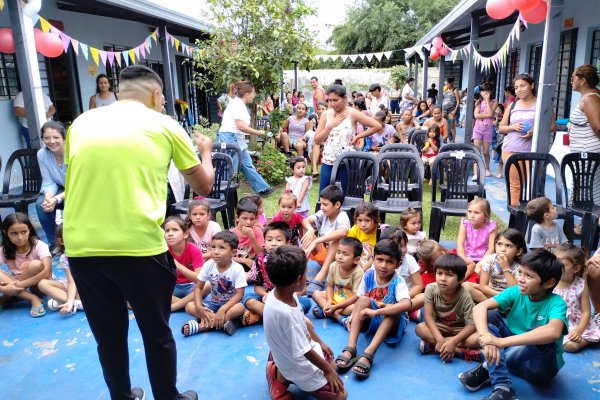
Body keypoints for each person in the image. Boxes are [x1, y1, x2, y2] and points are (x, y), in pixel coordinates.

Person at [63, 65, 212, 400]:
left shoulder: (82, 122)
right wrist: (205, 151)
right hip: (139, 247)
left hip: (82, 247)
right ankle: (167, 397)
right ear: (156, 95)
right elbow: (202, 185)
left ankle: (122, 396)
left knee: (108, 335)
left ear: (118, 91)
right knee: (156, 332)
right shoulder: (163, 124)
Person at [458, 250, 568, 400]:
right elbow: (479, 308)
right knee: (491, 315)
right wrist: (486, 337)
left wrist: (499, 342)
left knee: (542, 335)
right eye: (520, 272)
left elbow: (553, 332)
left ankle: (486, 368)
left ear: (549, 283)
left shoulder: (556, 303)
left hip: (537, 369)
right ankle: (503, 387)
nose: (520, 279)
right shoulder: (515, 291)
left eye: (529, 276)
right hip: (511, 360)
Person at [263, 245, 347, 400]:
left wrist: (319, 342)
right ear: (298, 280)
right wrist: (327, 371)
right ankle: (279, 375)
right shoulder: (286, 314)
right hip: (296, 363)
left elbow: (303, 323)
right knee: (341, 395)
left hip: (286, 352)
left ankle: (281, 371)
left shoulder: (282, 294)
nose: (308, 276)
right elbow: (305, 352)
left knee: (334, 365)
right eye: (306, 273)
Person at [334, 240, 411, 379]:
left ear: (398, 264)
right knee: (363, 300)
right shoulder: (369, 274)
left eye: (389, 261)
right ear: (373, 259)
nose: (383, 265)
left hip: (392, 323)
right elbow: (360, 297)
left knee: (393, 311)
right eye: (379, 260)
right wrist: (353, 315)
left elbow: (406, 304)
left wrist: (376, 312)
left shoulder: (398, 281)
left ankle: (369, 353)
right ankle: (351, 348)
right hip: (372, 319)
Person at [499, 73, 555, 206]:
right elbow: (501, 128)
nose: (518, 89)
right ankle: (515, 217)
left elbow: (552, 126)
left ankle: (541, 217)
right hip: (510, 150)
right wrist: (513, 127)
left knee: (536, 187)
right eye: (516, 87)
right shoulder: (512, 105)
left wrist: (534, 133)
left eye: (522, 86)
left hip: (533, 152)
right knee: (515, 186)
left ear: (532, 85)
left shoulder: (542, 104)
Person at [314, 84, 381, 193]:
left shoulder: (352, 113)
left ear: (344, 98)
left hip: (347, 161)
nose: (332, 104)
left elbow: (377, 126)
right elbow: (317, 140)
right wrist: (330, 126)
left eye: (335, 100)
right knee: (324, 194)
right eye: (329, 100)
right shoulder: (326, 114)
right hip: (328, 160)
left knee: (348, 194)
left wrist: (358, 136)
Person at [244, 222, 311, 326]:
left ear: (288, 242)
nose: (273, 243)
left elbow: (302, 289)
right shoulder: (260, 260)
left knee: (306, 303)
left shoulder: (293, 260)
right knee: (248, 299)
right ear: (264, 241)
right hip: (267, 298)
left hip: (288, 298)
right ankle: (283, 317)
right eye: (269, 240)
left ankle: (261, 315)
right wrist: (266, 295)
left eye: (279, 240)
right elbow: (257, 287)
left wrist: (287, 297)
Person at [181, 231, 247, 337]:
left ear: (233, 253)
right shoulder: (208, 265)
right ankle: (224, 322)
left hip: (230, 305)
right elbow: (198, 287)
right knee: (189, 306)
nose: (216, 252)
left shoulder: (237, 269)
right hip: (213, 304)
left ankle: (203, 326)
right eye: (213, 247)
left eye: (222, 248)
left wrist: (223, 309)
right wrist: (198, 306)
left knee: (239, 309)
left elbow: (239, 295)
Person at [416, 254, 480, 361]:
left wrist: (453, 342)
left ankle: (436, 346)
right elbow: (428, 317)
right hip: (440, 327)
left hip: (459, 331)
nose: (443, 278)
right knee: (420, 328)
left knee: (479, 338)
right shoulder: (430, 289)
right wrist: (439, 338)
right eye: (439, 273)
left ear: (460, 279)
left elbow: (472, 325)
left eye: (449, 275)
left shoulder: (465, 296)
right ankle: (459, 351)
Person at [217, 81, 273, 197]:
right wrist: (258, 132)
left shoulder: (239, 104)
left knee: (246, 164)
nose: (254, 95)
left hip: (235, 138)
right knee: (228, 168)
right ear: (247, 94)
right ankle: (219, 196)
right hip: (230, 138)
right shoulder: (237, 105)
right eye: (253, 92)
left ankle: (263, 189)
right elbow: (241, 126)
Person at [301, 185, 351, 295]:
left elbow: (343, 232)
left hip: (340, 259)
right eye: (321, 204)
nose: (322, 207)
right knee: (307, 230)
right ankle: (302, 273)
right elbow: (305, 221)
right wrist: (310, 230)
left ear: (337, 205)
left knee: (335, 240)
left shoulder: (342, 216)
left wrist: (317, 241)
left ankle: (320, 278)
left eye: (325, 204)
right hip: (325, 256)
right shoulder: (324, 213)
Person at [0, 212, 52, 317]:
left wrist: (17, 285)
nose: (20, 237)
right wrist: (5, 289)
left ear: (29, 230)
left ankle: (12, 296)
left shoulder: (39, 246)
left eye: (24, 232)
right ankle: (32, 298)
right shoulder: (4, 250)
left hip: (36, 285)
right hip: (14, 284)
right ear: (6, 233)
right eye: (14, 233)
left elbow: (47, 272)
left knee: (36, 264)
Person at [552, 243, 600, 353]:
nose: (555, 266)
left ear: (576, 268)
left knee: (570, 346)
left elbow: (586, 312)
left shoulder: (581, 285)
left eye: (561, 264)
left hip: (573, 325)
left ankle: (591, 338)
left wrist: (578, 331)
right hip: (553, 322)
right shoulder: (549, 281)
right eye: (554, 261)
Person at [312, 237, 364, 328]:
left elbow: (356, 296)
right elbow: (329, 286)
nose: (339, 256)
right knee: (316, 293)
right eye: (338, 252)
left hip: (348, 304)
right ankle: (339, 318)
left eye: (345, 254)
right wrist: (329, 301)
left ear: (356, 259)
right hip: (335, 298)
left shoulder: (358, 272)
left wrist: (336, 307)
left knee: (356, 308)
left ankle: (326, 310)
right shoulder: (333, 266)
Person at [464, 229, 527, 303]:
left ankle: (493, 305)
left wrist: (505, 268)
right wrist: (500, 296)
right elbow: (483, 286)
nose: (502, 249)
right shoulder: (489, 260)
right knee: (465, 286)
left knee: (518, 299)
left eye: (508, 246)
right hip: (492, 292)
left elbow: (516, 291)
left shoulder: (521, 266)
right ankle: (496, 306)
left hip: (511, 296)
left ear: (518, 251)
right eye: (499, 244)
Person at [569, 64, 600, 202]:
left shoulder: (591, 98)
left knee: (588, 193)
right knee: (584, 191)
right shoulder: (588, 97)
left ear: (583, 80)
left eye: (573, 78)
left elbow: (598, 128)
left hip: (589, 154)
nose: (571, 81)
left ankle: (590, 222)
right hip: (584, 154)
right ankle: (584, 223)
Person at [39, 223, 84, 315]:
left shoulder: (88, 253)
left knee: (53, 304)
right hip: (72, 284)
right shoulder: (64, 258)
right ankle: (74, 303)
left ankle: (70, 302)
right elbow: (72, 281)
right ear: (61, 241)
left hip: (87, 285)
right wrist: (70, 301)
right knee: (42, 284)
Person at [163, 217, 205, 312]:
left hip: (192, 287)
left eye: (175, 230)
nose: (170, 234)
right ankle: (185, 304)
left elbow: (200, 279)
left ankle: (174, 307)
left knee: (207, 285)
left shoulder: (194, 250)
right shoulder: (163, 251)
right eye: (167, 231)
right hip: (173, 288)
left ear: (185, 234)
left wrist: (179, 266)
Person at [35, 121, 67, 247]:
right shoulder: (42, 154)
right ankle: (54, 243)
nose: (51, 141)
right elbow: (48, 181)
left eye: (56, 137)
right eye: (47, 138)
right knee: (41, 204)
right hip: (61, 188)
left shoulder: (75, 152)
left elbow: (77, 185)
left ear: (64, 138)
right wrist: (49, 197)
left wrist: (57, 198)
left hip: (81, 189)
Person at [457, 198, 497, 282]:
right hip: (467, 256)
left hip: (484, 257)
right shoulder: (465, 224)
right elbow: (460, 243)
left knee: (480, 272)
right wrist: (462, 258)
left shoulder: (491, 226)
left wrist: (480, 263)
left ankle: (463, 282)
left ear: (485, 215)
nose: (472, 215)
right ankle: (460, 281)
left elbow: (492, 248)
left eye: (476, 213)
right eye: (469, 211)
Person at [472, 83, 498, 178]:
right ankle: (476, 172)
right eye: (483, 91)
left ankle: (487, 168)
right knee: (476, 151)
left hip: (488, 128)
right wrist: (487, 115)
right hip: (478, 128)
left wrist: (487, 101)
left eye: (487, 91)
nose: (485, 93)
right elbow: (476, 115)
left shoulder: (494, 101)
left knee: (486, 152)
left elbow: (491, 113)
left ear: (491, 92)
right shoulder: (478, 102)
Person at [231, 200, 265, 271]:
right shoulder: (232, 233)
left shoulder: (257, 231)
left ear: (256, 219)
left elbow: (260, 253)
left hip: (252, 262)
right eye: (245, 218)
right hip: (236, 263)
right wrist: (245, 261)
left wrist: (252, 237)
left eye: (252, 219)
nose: (248, 222)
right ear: (237, 218)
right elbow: (226, 256)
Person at [347, 202, 379, 270]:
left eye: (367, 220)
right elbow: (349, 248)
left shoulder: (380, 232)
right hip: (358, 261)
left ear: (375, 220)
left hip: (373, 264)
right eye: (360, 220)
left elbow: (377, 257)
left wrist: (362, 270)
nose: (363, 224)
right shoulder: (355, 229)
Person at [441, 77, 460, 143]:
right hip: (444, 110)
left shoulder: (454, 90)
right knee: (444, 124)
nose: (446, 85)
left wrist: (455, 111)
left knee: (451, 125)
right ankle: (445, 138)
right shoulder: (445, 90)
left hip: (451, 111)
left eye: (447, 84)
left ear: (451, 84)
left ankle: (453, 140)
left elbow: (458, 101)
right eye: (445, 84)